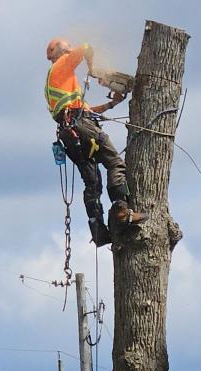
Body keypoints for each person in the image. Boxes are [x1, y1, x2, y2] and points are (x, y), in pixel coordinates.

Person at [45, 38, 148, 247]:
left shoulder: (60, 83)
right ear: (56, 51)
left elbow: (88, 111)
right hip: (80, 126)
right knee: (115, 162)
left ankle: (99, 230)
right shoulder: (62, 64)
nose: (69, 48)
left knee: (92, 182)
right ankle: (122, 210)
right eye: (66, 46)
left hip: (70, 132)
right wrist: (92, 69)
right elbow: (86, 47)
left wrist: (112, 103)